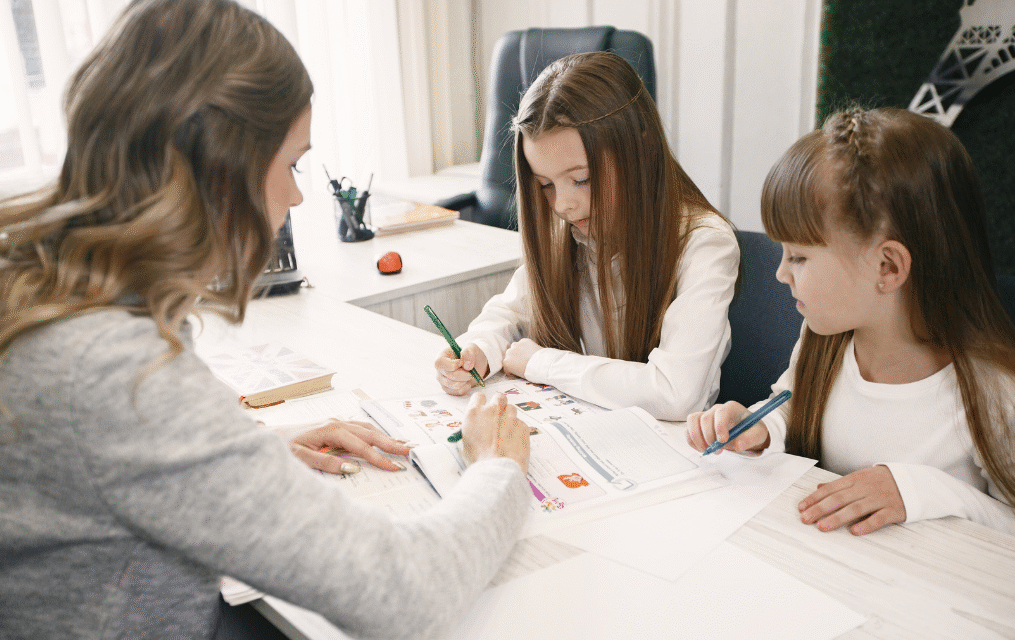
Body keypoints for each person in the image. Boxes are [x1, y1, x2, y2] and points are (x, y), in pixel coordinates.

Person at [0, 1, 531, 638]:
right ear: (222, 170)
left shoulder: (20, 280)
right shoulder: (117, 370)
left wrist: (242, 456)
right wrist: (499, 468)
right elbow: (408, 592)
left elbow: (89, 470)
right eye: (291, 165)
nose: (296, 195)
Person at [686, 108, 1015, 536]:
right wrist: (760, 429)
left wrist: (918, 489)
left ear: (888, 267)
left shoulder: (995, 390)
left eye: (799, 257)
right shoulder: (823, 337)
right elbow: (792, 410)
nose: (780, 273)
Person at [434, 52, 739, 421]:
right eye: (545, 184)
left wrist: (541, 362)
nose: (563, 205)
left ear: (642, 150)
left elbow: (674, 393)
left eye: (582, 179)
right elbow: (509, 313)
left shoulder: (705, 243)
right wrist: (477, 350)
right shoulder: (571, 232)